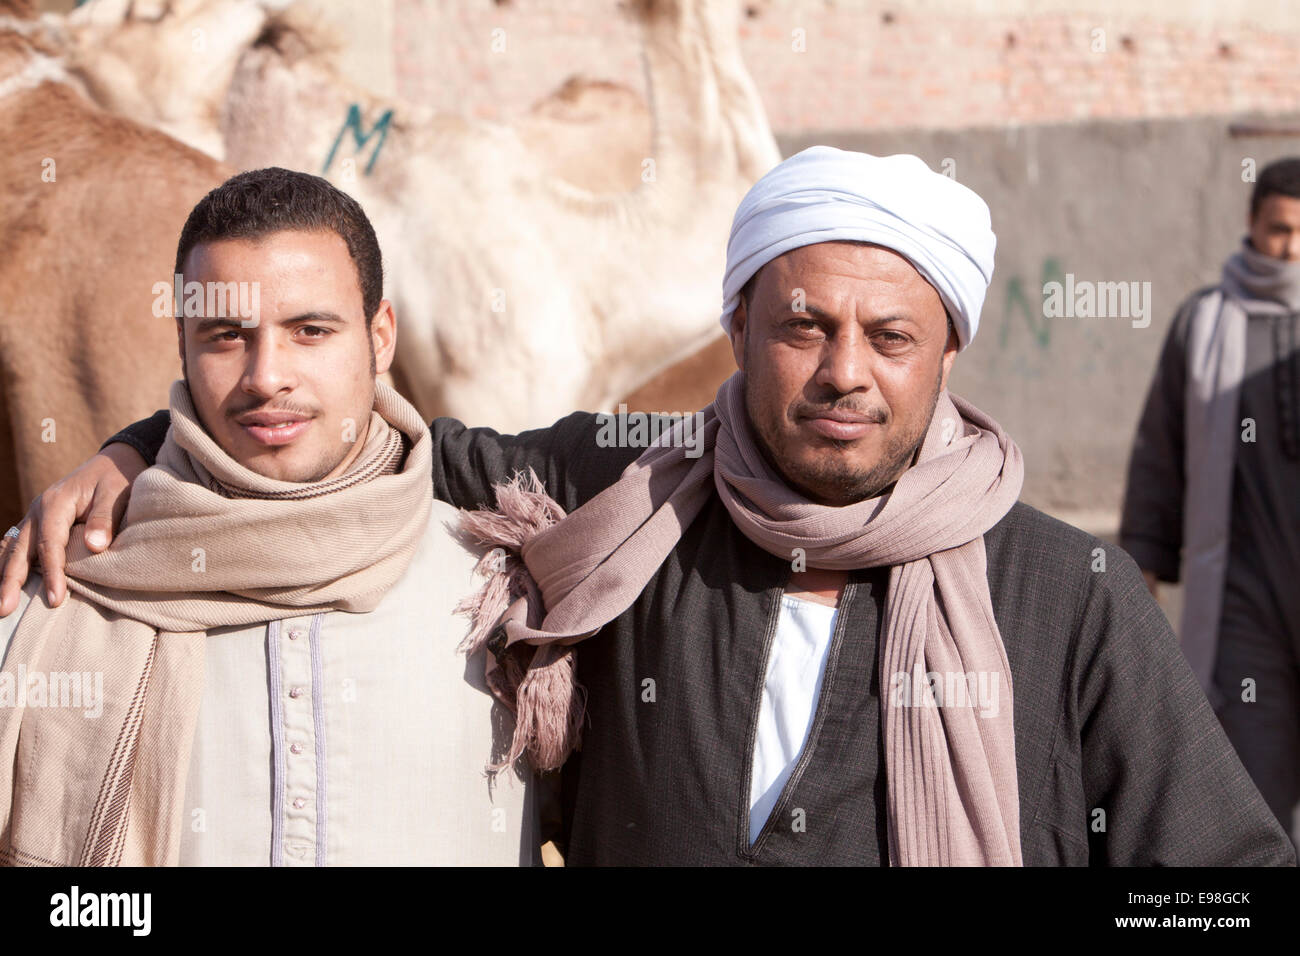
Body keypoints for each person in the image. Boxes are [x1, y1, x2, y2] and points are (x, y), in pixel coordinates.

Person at [6, 147, 1293, 866]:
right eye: (800, 324)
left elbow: (1223, 875)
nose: (844, 370)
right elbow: (339, 434)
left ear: (945, 351)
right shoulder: (628, 490)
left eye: (888, 335)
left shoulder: (1064, 593)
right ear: (734, 326)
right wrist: (132, 456)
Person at [0, 167, 536, 866]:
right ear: (183, 344)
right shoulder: (49, 594)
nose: (265, 375)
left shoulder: (506, 597)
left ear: (380, 337)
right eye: (226, 336)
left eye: (310, 330)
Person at [1120, 157, 1300, 846]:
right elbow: (1160, 445)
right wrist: (1144, 557)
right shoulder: (1205, 323)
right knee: (1252, 789)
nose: (1291, 250)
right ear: (1251, 227)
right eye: (1279, 230)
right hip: (1242, 605)